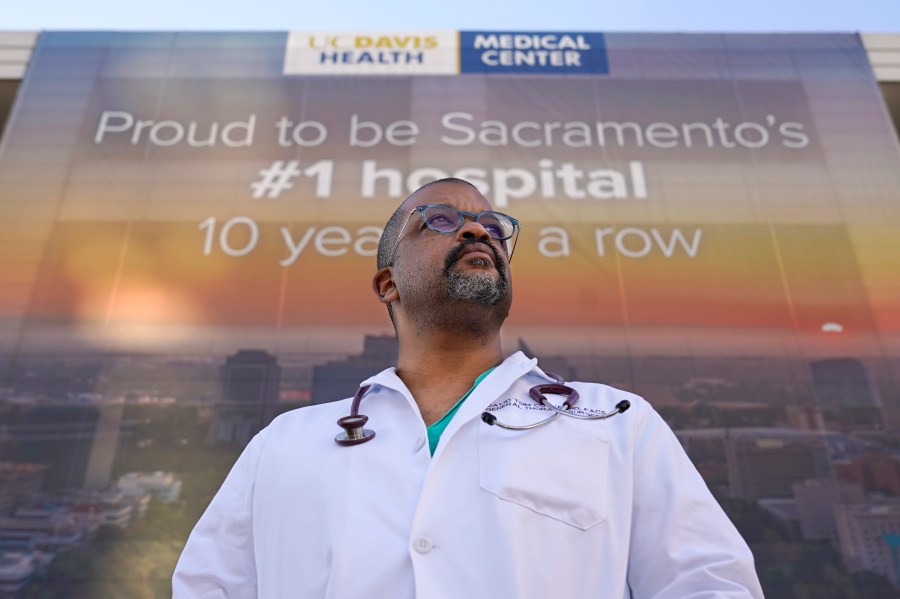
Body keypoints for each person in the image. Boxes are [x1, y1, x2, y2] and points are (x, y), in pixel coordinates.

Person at [173, 178, 764, 598]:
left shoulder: (615, 420)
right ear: (387, 283)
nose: (479, 229)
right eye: (441, 220)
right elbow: (208, 586)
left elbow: (709, 585)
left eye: (493, 226)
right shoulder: (286, 441)